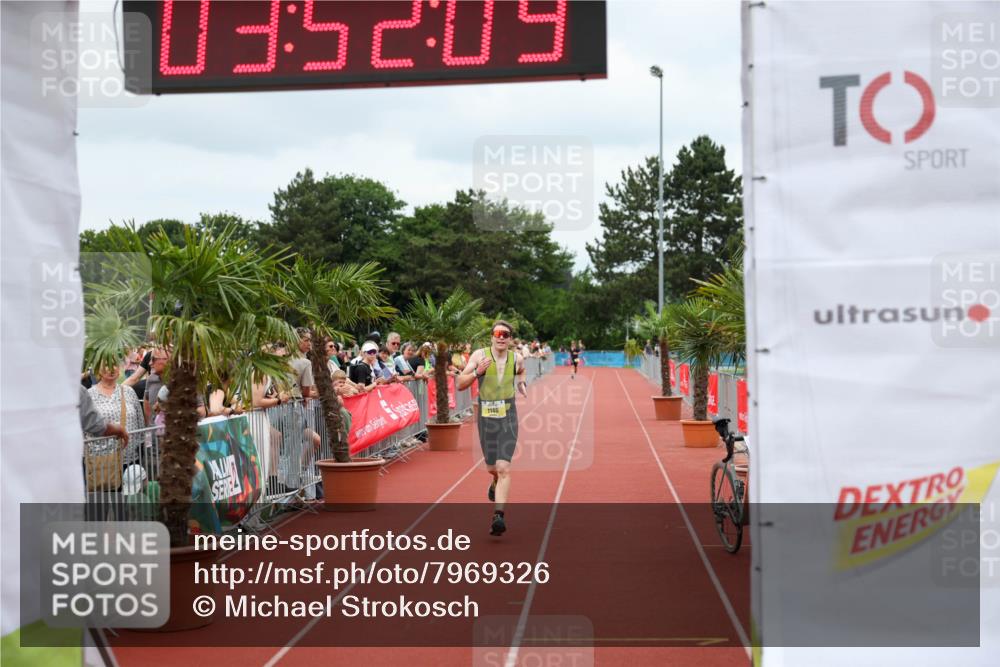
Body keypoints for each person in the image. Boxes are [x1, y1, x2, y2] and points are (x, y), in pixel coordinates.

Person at [457, 320, 528, 537]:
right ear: (491, 336)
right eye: (497, 333)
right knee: (492, 468)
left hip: (508, 415)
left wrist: (521, 383)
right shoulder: (479, 356)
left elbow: (522, 371)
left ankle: (499, 516)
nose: (501, 337)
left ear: (509, 338)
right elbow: (460, 383)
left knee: (504, 466)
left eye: (505, 334)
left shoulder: (517, 358)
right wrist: (477, 372)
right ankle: (494, 480)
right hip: (486, 417)